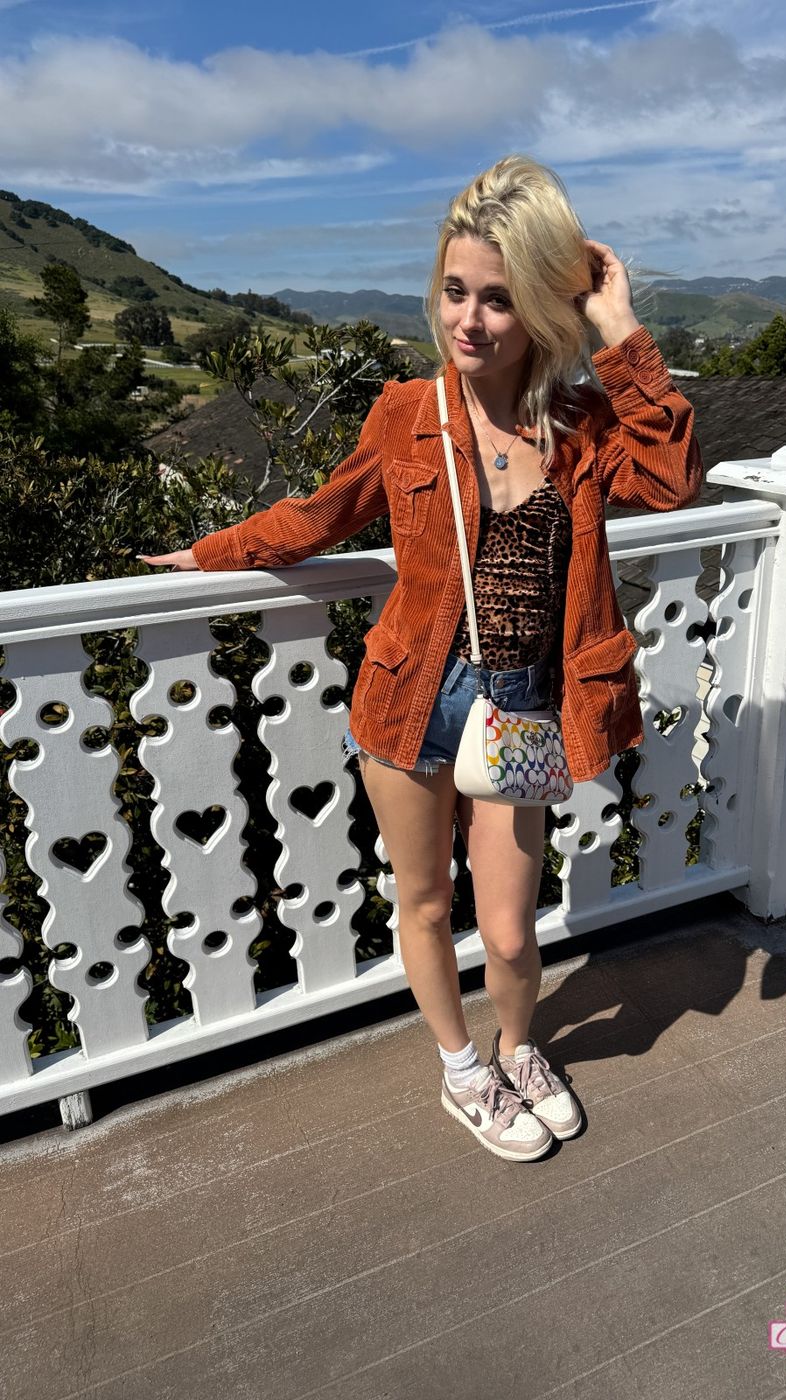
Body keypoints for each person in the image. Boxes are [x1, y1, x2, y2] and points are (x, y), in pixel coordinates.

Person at [140, 154, 702, 1163]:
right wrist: (214, 551)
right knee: (427, 901)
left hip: (524, 701)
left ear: (540, 308)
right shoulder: (409, 412)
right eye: (454, 291)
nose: (468, 320)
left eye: (498, 297)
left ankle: (520, 1045)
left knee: (513, 928)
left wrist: (618, 328)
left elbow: (670, 479)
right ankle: (462, 1068)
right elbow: (325, 512)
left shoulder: (578, 425)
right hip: (410, 699)